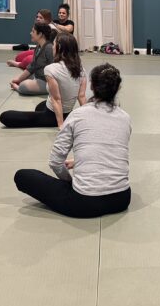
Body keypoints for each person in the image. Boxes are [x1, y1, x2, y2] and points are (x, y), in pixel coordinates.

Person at [14, 63, 131, 218]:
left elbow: (55, 162)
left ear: (93, 87)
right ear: (117, 89)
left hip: (84, 202)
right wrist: (79, 161)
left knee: (22, 176)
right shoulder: (125, 118)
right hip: (122, 199)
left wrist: (70, 182)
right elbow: (110, 148)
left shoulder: (78, 115)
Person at [0, 34, 86, 128]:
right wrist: (87, 119)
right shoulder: (81, 69)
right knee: (40, 106)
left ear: (59, 47)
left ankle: (56, 120)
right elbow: (81, 96)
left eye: (54, 44)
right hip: (67, 112)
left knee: (5, 116)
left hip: (53, 115)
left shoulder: (50, 69)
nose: (52, 47)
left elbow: (56, 99)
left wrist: (60, 125)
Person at [8, 22, 55, 95]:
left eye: (33, 31)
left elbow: (54, 69)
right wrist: (18, 79)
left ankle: (18, 88)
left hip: (48, 81)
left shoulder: (49, 48)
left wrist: (17, 87)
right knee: (24, 78)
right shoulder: (38, 47)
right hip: (38, 76)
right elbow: (32, 66)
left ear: (40, 34)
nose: (30, 33)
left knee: (23, 86)